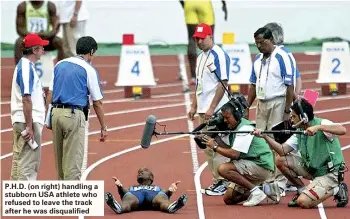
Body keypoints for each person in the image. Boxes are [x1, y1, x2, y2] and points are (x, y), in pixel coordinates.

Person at [252, 98, 348, 208]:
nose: (291, 120)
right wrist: (264, 137)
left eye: (293, 116)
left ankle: (337, 189)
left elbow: (342, 129)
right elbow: (282, 150)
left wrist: (318, 128)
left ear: (304, 117)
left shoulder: (322, 123)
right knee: (280, 160)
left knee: (303, 202)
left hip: (329, 173)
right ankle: (302, 190)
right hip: (313, 169)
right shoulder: (299, 131)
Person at [46, 36, 108, 180]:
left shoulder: (59, 64)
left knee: (61, 166)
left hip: (56, 114)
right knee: (73, 167)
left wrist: (48, 118)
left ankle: (63, 199)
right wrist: (104, 127)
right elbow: (97, 102)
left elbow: (50, 93)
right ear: (91, 52)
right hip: (74, 116)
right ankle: (72, 201)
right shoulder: (89, 69)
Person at [201, 100, 280, 206]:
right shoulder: (235, 127)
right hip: (250, 164)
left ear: (237, 115)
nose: (225, 121)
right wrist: (215, 137)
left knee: (223, 169)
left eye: (227, 118)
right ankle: (266, 189)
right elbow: (229, 148)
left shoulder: (244, 128)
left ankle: (256, 192)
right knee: (229, 199)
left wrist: (215, 147)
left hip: (261, 164)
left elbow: (234, 154)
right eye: (223, 118)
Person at [188, 23, 231, 196]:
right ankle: (217, 180)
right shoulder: (200, 58)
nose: (199, 41)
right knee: (207, 146)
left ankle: (224, 180)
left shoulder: (219, 55)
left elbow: (223, 83)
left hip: (217, 110)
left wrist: (212, 107)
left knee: (218, 144)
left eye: (202, 38)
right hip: (204, 109)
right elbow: (199, 85)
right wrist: (193, 105)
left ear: (210, 36)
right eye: (196, 39)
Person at [10, 33, 49, 180]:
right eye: (41, 48)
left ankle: (15, 201)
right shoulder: (26, 68)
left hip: (23, 119)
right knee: (28, 165)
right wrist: (29, 126)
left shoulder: (24, 66)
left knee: (19, 163)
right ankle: (24, 201)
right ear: (34, 50)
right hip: (28, 120)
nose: (43, 51)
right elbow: (26, 98)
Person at [247, 27, 295, 131]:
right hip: (261, 103)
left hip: (278, 103)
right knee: (260, 137)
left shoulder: (282, 56)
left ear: (272, 40)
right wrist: (247, 106)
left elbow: (290, 86)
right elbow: (253, 85)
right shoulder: (257, 58)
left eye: (262, 42)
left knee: (276, 140)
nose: (259, 46)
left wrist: (287, 111)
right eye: (256, 43)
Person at [179, 0, 227, 84]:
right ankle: (213, 72)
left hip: (189, 3)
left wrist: (184, 3)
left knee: (191, 39)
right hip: (204, 3)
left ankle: (194, 77)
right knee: (209, 38)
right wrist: (223, 3)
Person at [105, 168, 188, 214]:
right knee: (128, 198)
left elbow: (166, 193)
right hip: (135, 197)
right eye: (139, 172)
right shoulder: (133, 187)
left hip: (154, 196)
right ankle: (119, 208)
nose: (140, 173)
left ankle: (171, 207)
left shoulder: (156, 187)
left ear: (151, 177)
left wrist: (169, 191)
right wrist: (120, 187)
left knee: (162, 198)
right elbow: (123, 193)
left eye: (143, 171)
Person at [14, 0, 65, 65]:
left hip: (46, 39)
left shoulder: (50, 6)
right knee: (19, 42)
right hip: (30, 41)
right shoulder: (23, 6)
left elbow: (55, 29)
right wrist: (34, 36)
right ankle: (20, 71)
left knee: (59, 42)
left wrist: (48, 34)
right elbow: (19, 29)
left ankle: (62, 70)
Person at [263, 22, 302, 98]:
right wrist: (296, 96)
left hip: (280, 101)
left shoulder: (281, 55)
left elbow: (289, 83)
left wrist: (295, 97)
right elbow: (298, 78)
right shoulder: (286, 53)